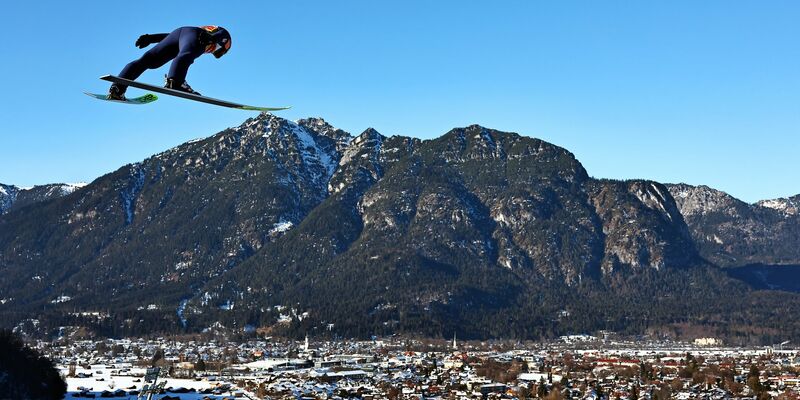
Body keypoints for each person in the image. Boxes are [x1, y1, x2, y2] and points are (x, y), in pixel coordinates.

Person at [108, 26, 231, 100]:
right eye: (217, 51)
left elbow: (171, 36)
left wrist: (151, 38)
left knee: (148, 61)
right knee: (187, 55)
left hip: (178, 33)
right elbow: (223, 34)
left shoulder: (194, 33)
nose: (211, 52)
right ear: (222, 44)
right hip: (196, 36)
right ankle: (176, 82)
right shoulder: (212, 37)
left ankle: (117, 88)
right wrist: (211, 39)